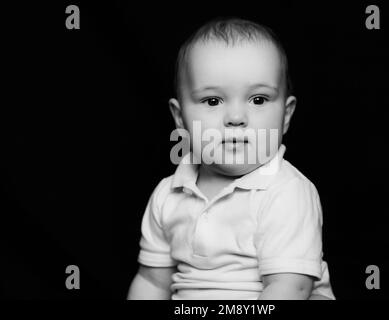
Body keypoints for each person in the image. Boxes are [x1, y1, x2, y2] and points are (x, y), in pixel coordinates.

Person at [127, 17, 335, 300]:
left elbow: (290, 288)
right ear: (180, 118)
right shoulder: (168, 194)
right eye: (213, 101)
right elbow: (152, 282)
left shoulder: (286, 191)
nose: (236, 118)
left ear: (286, 116)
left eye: (258, 99)